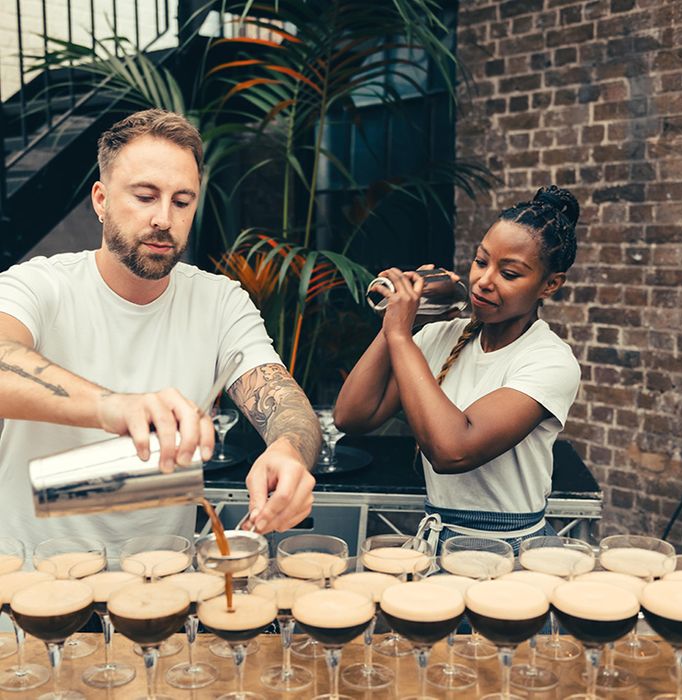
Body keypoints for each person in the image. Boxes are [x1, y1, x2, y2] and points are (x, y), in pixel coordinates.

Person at [0, 108, 321, 555]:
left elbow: (284, 401)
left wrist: (288, 450)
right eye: (145, 196)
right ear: (101, 199)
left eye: (182, 201)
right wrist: (113, 406)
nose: (164, 219)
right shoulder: (39, 285)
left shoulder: (218, 300)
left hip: (159, 588)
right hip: (32, 593)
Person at [334, 186, 581, 553]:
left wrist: (402, 336)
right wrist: (397, 322)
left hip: (510, 549)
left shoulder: (550, 360)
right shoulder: (437, 337)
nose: (484, 280)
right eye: (482, 262)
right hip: (435, 542)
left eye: (509, 274)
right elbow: (352, 416)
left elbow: (453, 450)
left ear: (550, 285)